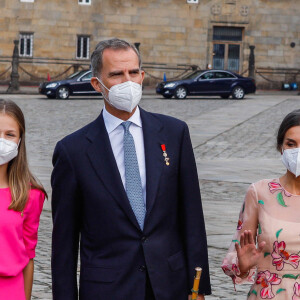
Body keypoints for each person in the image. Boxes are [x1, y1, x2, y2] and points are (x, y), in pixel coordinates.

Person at [51, 38, 211, 300]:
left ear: (142, 75)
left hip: (170, 286)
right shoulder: (73, 150)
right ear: (97, 84)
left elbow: (191, 216)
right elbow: (64, 245)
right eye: (116, 74)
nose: (127, 81)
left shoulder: (174, 133)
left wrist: (198, 287)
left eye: (133, 72)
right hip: (107, 289)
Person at [222, 109, 300, 299]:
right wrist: (242, 265)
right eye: (291, 144)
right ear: (281, 147)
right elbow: (237, 253)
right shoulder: (259, 192)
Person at [0, 99, 46, 300]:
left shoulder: (30, 195)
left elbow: (28, 257)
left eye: (9, 135)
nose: (2, 140)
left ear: (19, 140)